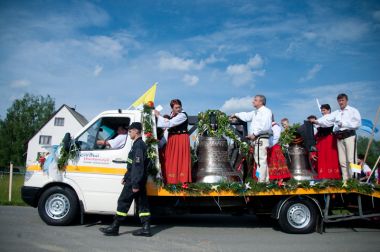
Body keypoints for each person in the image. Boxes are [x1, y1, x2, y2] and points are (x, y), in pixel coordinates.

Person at [99, 122, 151, 237]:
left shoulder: (138, 145)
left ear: (136, 131)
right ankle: (146, 228)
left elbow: (138, 166)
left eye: (130, 130)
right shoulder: (138, 144)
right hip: (136, 179)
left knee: (123, 201)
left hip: (135, 180)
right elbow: (133, 165)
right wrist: (126, 177)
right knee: (142, 204)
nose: (129, 133)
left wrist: (135, 184)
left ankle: (115, 227)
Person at [310, 93, 361, 182]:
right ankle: (345, 180)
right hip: (339, 137)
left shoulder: (353, 111)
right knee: (342, 161)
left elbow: (357, 124)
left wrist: (344, 124)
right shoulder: (336, 113)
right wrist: (316, 122)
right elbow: (327, 120)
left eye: (342, 100)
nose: (341, 102)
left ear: (346, 101)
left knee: (352, 159)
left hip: (349, 136)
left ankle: (355, 180)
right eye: (339, 101)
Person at [232, 95, 272, 182]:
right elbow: (246, 116)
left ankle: (262, 181)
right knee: (259, 160)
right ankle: (265, 180)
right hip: (257, 139)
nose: (253, 102)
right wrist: (236, 114)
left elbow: (265, 126)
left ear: (261, 102)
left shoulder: (266, 111)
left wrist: (254, 134)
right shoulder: (255, 112)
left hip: (261, 138)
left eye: (255, 100)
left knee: (261, 160)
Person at [154, 99, 191, 184]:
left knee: (180, 159)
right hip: (173, 139)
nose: (178, 109)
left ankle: (181, 180)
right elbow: (167, 125)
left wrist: (158, 116)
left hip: (180, 139)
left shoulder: (182, 115)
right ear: (172, 108)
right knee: (170, 159)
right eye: (176, 107)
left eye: (179, 107)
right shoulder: (172, 114)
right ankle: (170, 180)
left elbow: (170, 123)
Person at [312, 104, 341, 180]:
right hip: (321, 140)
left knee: (330, 156)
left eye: (324, 110)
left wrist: (316, 122)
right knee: (322, 157)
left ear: (329, 110)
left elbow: (326, 124)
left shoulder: (331, 117)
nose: (322, 112)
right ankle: (323, 175)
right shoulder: (321, 118)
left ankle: (333, 176)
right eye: (322, 110)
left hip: (329, 139)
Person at [267, 116, 291, 181]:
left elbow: (277, 138)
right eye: (283, 124)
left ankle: (282, 178)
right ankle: (277, 178)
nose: (284, 126)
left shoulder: (290, 130)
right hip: (280, 147)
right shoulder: (282, 132)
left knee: (279, 162)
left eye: (285, 124)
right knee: (276, 163)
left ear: (288, 123)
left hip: (285, 148)